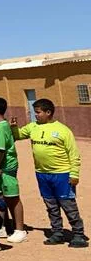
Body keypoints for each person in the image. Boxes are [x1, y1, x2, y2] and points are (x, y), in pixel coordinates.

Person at [12, 98, 86, 248]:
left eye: (38, 112)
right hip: (42, 174)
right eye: (35, 112)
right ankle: (57, 232)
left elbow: (74, 154)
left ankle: (78, 234)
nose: (36, 115)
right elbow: (18, 135)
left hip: (62, 174)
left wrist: (74, 174)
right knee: (51, 205)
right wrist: (14, 128)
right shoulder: (33, 127)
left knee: (68, 205)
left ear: (48, 112)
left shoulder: (63, 130)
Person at [0, 97, 26, 243]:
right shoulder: (1, 125)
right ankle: (1, 226)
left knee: (12, 197)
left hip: (6, 166)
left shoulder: (1, 126)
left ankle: (20, 229)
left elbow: (1, 149)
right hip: (0, 166)